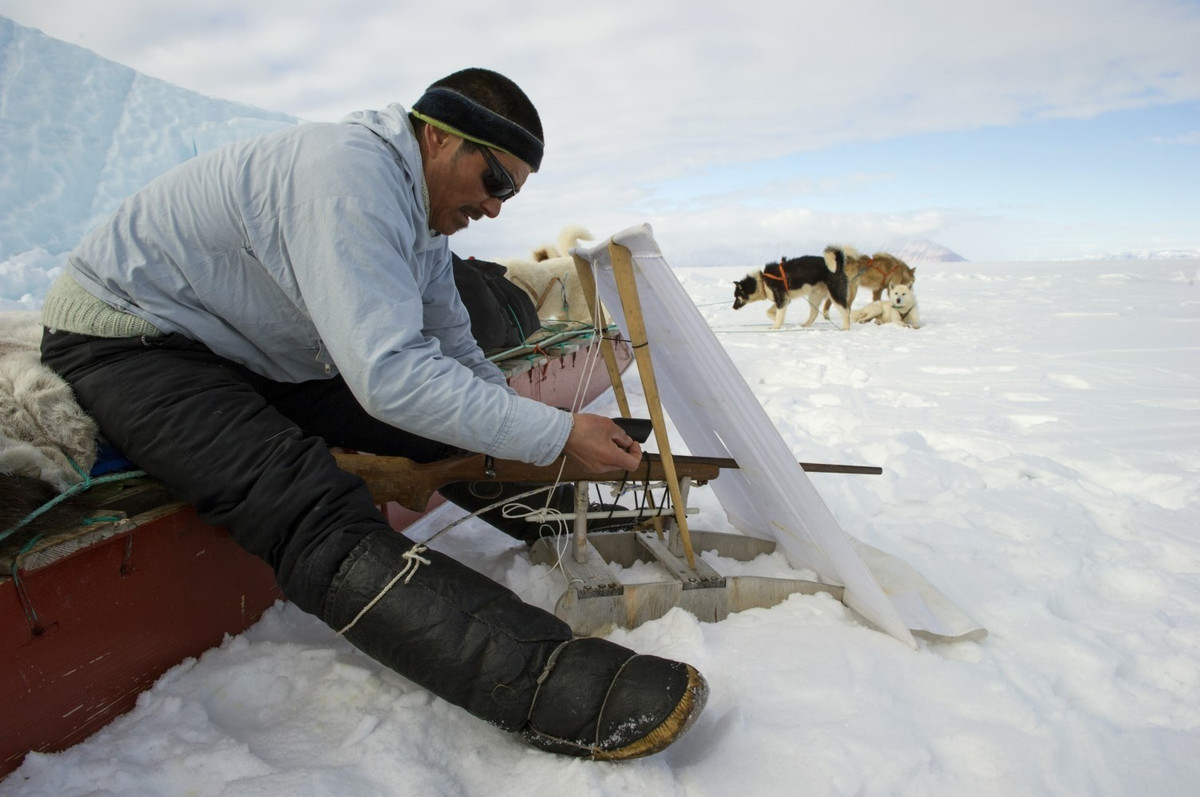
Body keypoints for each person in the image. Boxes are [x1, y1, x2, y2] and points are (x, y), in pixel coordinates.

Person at [39, 68, 706, 760]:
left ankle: (574, 522)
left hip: (238, 345)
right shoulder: (351, 178)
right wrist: (558, 430)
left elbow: (451, 346)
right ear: (441, 137)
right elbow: (390, 375)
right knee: (303, 500)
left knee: (433, 418)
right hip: (129, 339)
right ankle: (548, 682)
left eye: (509, 192)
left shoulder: (418, 216)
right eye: (496, 182)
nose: (497, 208)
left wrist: (541, 437)